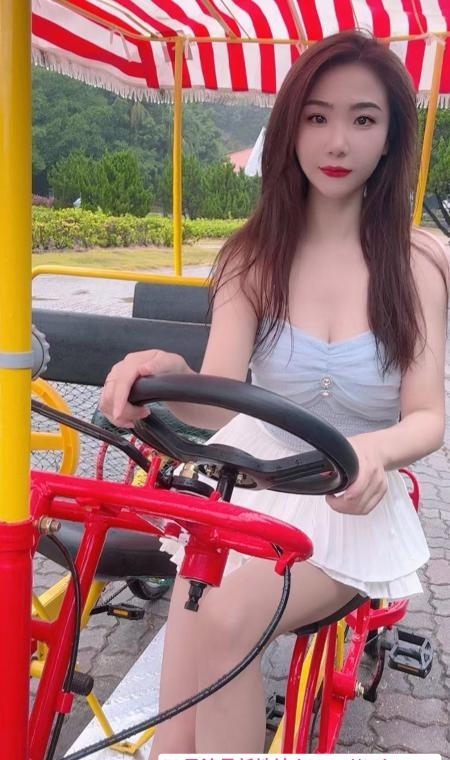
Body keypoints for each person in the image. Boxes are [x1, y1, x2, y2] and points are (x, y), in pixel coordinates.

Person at [99, 30, 448, 754]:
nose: (338, 141)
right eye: (317, 116)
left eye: (363, 118)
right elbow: (219, 400)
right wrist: (164, 374)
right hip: (245, 486)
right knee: (184, 675)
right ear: (290, 127)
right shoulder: (252, 255)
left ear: (390, 136)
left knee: (226, 620)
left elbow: (426, 418)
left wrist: (374, 452)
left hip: (347, 501)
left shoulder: (418, 263)